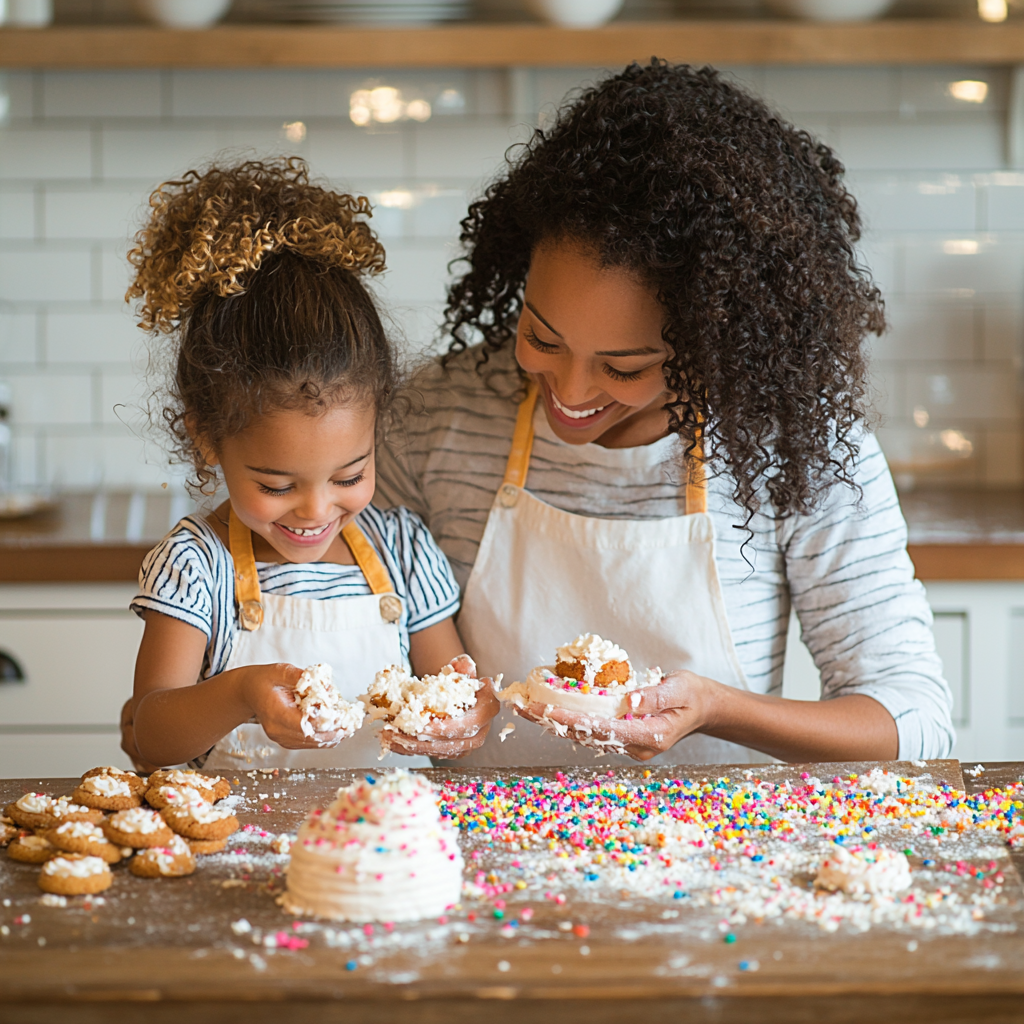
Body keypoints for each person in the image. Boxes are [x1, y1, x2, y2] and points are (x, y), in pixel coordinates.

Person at [375, 60, 955, 767]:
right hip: (464, 863)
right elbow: (349, 640)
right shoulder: (436, 413)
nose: (571, 389)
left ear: (714, 340)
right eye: (540, 337)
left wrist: (718, 709)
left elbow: (915, 721)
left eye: (624, 366)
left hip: (716, 863)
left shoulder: (793, 448)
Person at [119, 158, 497, 771]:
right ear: (207, 438)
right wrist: (239, 692)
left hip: (384, 852)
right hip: (236, 856)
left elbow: (456, 697)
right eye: (276, 484)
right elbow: (147, 738)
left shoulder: (404, 551)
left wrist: (464, 714)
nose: (318, 510)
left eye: (349, 476)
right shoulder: (197, 564)